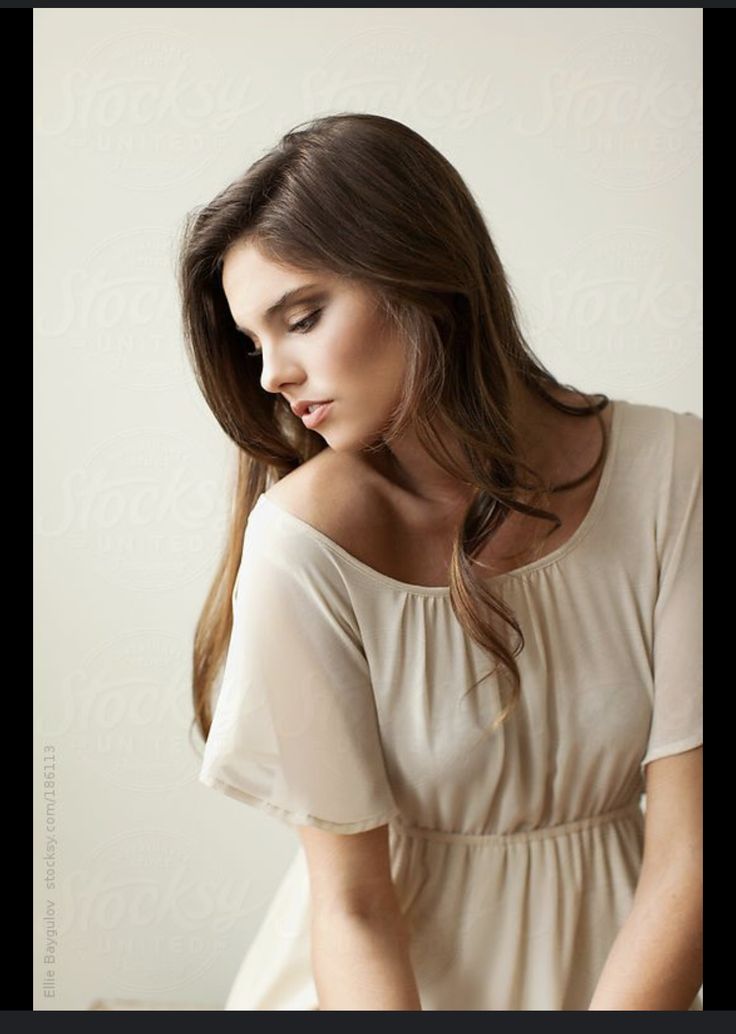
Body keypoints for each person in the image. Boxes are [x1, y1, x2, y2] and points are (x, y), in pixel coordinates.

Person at [178, 113, 702, 1011]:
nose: (270, 374)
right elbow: (351, 902)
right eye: (253, 341)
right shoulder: (302, 542)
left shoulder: (674, 473)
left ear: (425, 276)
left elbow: (692, 854)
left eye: (301, 318)